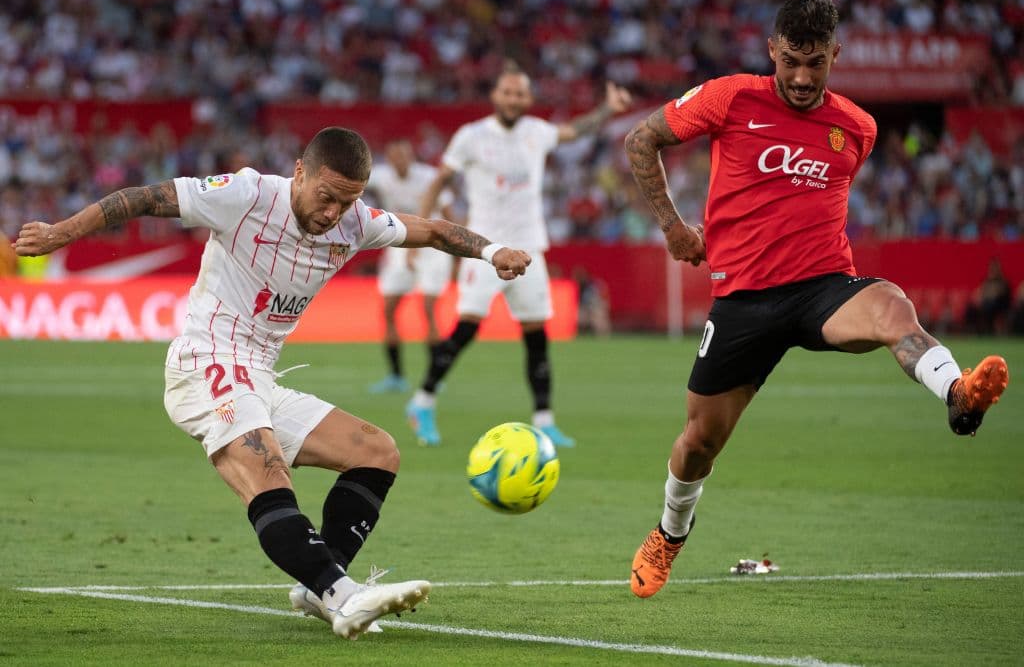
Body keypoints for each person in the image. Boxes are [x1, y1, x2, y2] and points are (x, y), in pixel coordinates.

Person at [13, 126, 532, 637]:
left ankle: (318, 586)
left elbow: (435, 231)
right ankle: (342, 595)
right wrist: (61, 233)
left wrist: (493, 252)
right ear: (299, 172)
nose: (332, 214)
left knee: (377, 452)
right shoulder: (247, 194)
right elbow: (146, 197)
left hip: (260, 375)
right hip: (206, 361)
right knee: (269, 471)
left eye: (345, 203)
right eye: (326, 197)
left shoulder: (355, 223)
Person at [622, 0, 1010, 599]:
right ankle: (668, 536)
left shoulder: (858, 127)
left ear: (836, 55)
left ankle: (957, 393)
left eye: (816, 65)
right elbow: (640, 141)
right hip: (744, 299)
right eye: (791, 63)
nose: (802, 79)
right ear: (772, 51)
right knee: (699, 442)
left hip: (823, 287)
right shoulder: (730, 97)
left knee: (891, 308)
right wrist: (674, 227)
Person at [405, 62, 632, 448]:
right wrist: (420, 231)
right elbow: (439, 180)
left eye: (520, 93)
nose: (513, 99)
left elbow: (575, 130)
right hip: (484, 250)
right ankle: (422, 402)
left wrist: (608, 109)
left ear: (528, 99)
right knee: (466, 329)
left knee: (536, 335)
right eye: (507, 92)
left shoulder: (537, 132)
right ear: (496, 95)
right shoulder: (471, 136)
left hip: (530, 250)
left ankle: (544, 419)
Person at [364, 139, 456, 393]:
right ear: (389, 159)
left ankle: (435, 379)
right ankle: (396, 377)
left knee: (428, 309)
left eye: (403, 156)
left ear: (411, 156)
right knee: (389, 310)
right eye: (394, 157)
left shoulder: (429, 177)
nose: (399, 161)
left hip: (432, 249)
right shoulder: (382, 176)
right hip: (398, 248)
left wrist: (458, 249)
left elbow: (448, 213)